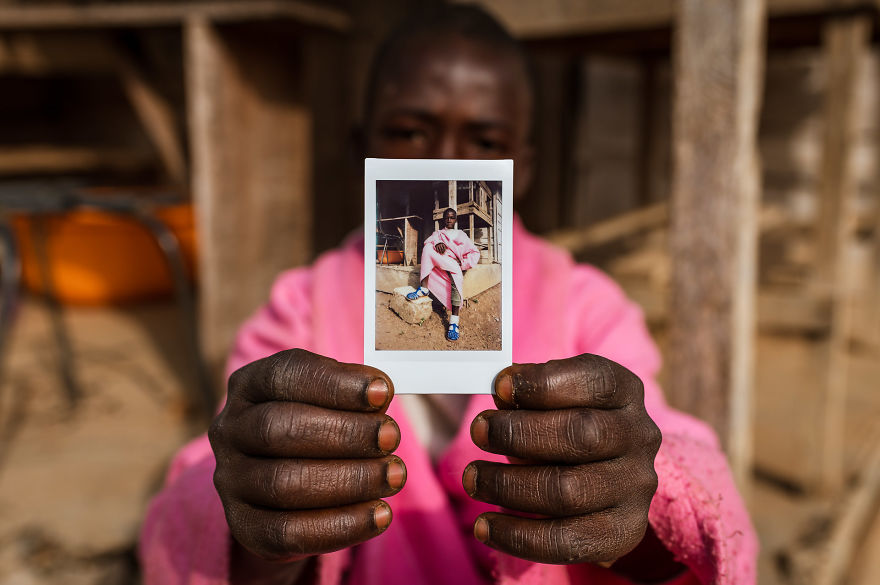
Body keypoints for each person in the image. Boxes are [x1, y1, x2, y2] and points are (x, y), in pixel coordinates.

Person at [140, 5, 757, 585]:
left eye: (485, 143)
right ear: (360, 150)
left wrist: (634, 505)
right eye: (410, 132)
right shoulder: (303, 308)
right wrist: (262, 522)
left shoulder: (584, 306)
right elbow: (212, 484)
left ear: (524, 168)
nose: (443, 163)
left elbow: (680, 473)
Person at [406, 207, 481, 341]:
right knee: (428, 247)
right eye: (446, 218)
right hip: (440, 262)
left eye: (452, 218)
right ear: (443, 220)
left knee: (456, 278)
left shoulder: (461, 235)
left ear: (455, 219)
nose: (449, 220)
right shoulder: (438, 233)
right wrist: (437, 242)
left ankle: (454, 322)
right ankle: (424, 289)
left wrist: (463, 264)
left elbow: (475, 252)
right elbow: (428, 241)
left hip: (454, 265)